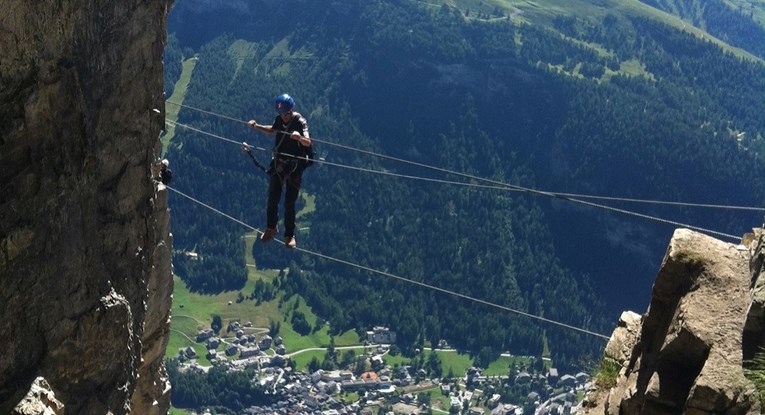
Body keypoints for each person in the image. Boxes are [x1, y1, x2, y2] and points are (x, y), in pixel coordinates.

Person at [245, 93, 312, 249]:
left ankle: (289, 235)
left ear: (292, 110)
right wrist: (257, 126)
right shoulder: (280, 119)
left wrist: (299, 138)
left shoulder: (300, 121)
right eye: (281, 114)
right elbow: (273, 130)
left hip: (294, 166)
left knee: (289, 202)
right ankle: (271, 228)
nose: (284, 117)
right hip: (279, 163)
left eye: (286, 114)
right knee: (272, 199)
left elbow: (308, 142)